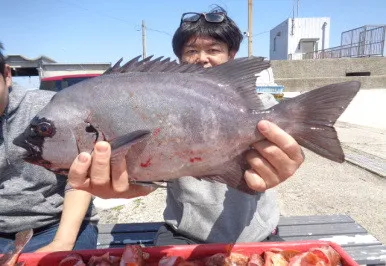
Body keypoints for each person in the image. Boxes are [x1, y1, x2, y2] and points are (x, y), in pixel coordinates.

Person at [67, 7, 304, 245]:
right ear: (180, 58)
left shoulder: (259, 104)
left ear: (232, 54)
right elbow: (143, 169)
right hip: (184, 232)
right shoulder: (158, 101)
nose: (202, 58)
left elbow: (291, 144)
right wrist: (125, 182)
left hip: (257, 233)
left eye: (213, 50)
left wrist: (290, 159)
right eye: (192, 50)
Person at [0, 42, 98, 253]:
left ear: (7, 75)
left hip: (56, 224)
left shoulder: (50, 111)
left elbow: (81, 175)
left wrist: (61, 243)